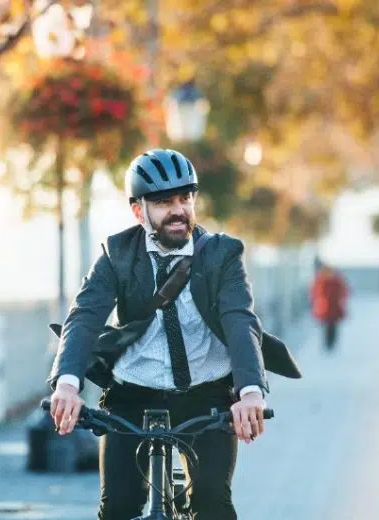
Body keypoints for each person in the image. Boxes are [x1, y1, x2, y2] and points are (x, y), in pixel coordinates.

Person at [46, 148, 299, 520]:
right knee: (116, 508)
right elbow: (84, 317)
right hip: (131, 396)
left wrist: (249, 393)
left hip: (207, 394)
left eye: (185, 198)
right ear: (138, 210)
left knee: (212, 502)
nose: (179, 210)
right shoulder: (117, 255)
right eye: (164, 202)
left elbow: (240, 321)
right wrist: (67, 386)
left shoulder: (221, 255)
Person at [310, 264, 349, 351]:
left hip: (334, 307)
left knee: (333, 326)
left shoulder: (337, 281)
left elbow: (343, 292)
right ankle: (327, 343)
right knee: (326, 327)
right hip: (325, 308)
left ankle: (332, 343)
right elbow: (315, 293)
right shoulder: (321, 281)